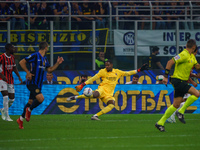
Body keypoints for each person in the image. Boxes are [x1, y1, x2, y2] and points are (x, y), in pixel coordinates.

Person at [67, 60, 148, 120]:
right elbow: (93, 78)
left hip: (109, 94)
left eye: (108, 65)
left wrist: (139, 70)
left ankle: (95, 116)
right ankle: (77, 97)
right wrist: (82, 85)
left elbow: (128, 73)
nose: (107, 67)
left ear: (112, 65)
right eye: (106, 65)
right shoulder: (102, 71)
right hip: (102, 89)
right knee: (95, 95)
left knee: (112, 105)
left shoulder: (117, 72)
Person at [155, 39, 200, 132]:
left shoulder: (192, 56)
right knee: (196, 94)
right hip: (178, 80)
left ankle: (160, 123)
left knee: (175, 104)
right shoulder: (183, 54)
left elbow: (197, 66)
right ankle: (181, 112)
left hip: (182, 82)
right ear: (194, 47)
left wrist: (196, 74)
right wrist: (165, 76)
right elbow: (169, 62)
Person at [17, 42, 64, 129]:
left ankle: (20, 119)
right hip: (32, 82)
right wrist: (28, 73)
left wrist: (57, 63)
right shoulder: (35, 55)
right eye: (48, 47)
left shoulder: (45, 59)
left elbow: (49, 70)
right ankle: (29, 110)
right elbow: (21, 62)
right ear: (45, 48)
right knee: (41, 99)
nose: (48, 49)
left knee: (30, 102)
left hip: (38, 84)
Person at [0, 43, 22, 121]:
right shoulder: (1, 57)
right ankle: (7, 116)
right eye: (12, 48)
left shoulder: (12, 57)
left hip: (10, 80)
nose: (14, 49)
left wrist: (19, 77)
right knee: (5, 96)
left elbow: (14, 68)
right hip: (1, 79)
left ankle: (3, 110)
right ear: (8, 49)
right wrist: (2, 75)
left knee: (12, 99)